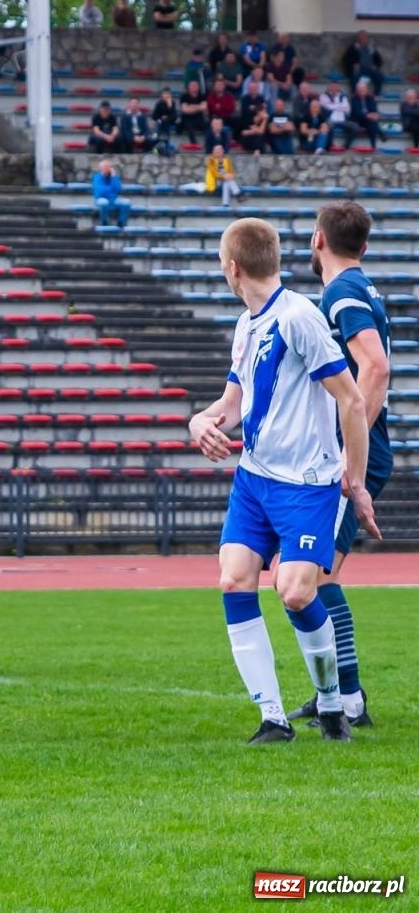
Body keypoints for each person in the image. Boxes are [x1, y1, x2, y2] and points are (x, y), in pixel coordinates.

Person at [187, 218, 377, 744]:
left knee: (294, 592)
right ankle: (272, 718)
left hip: (306, 483)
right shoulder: (246, 324)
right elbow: (231, 404)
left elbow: (352, 399)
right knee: (233, 579)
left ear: (233, 267)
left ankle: (333, 703)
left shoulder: (299, 317)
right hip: (254, 481)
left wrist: (355, 483)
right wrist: (199, 422)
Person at [285, 203, 391, 731]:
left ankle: (347, 700)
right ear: (364, 246)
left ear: (317, 239)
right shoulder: (363, 287)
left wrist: (354, 445)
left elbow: (376, 366)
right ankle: (345, 694)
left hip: (354, 453)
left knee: (316, 576)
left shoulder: (342, 293)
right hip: (358, 449)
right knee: (320, 574)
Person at [340, 30, 384, 96]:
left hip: (370, 69)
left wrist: (376, 66)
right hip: (358, 70)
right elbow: (345, 59)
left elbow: (379, 60)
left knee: (379, 76)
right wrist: (353, 65)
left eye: (365, 36)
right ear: (358, 38)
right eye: (361, 36)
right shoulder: (353, 48)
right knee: (355, 76)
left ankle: (376, 93)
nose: (363, 38)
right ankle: (355, 94)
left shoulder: (370, 48)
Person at [92, 158, 128, 229]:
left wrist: (114, 177)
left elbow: (118, 188)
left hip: (113, 200)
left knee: (126, 203)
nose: (108, 168)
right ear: (101, 168)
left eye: (110, 167)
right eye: (106, 167)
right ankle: (104, 222)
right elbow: (101, 192)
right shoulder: (97, 177)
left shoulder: (113, 177)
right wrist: (112, 190)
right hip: (101, 199)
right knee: (103, 203)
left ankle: (121, 222)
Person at [348, 80, 384, 147]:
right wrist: (368, 115)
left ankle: (373, 145)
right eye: (360, 89)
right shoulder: (354, 99)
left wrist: (375, 115)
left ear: (366, 89)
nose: (362, 90)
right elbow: (357, 113)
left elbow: (374, 109)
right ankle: (380, 132)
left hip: (368, 120)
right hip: (357, 120)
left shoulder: (370, 98)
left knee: (373, 124)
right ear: (357, 90)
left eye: (363, 89)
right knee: (372, 122)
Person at [178, 80, 208, 144]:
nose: (194, 87)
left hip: (199, 118)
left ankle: (209, 144)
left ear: (199, 87)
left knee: (208, 126)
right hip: (187, 118)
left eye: (196, 85)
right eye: (192, 85)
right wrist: (198, 107)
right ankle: (194, 144)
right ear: (188, 87)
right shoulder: (184, 96)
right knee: (189, 125)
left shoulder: (202, 96)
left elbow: (204, 107)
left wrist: (191, 106)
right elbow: (185, 110)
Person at [151, 87, 179, 155]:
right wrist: (161, 117)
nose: (166, 96)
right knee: (160, 123)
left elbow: (174, 116)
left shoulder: (173, 103)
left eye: (168, 94)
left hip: (169, 123)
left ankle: (165, 145)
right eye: (165, 94)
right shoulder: (159, 103)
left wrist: (170, 107)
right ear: (162, 95)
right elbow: (154, 116)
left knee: (166, 124)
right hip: (160, 123)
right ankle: (159, 146)